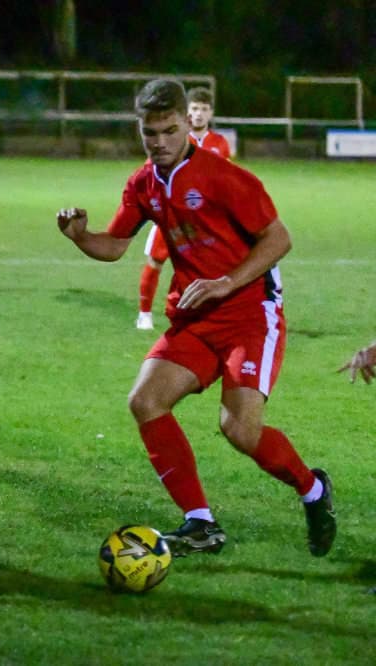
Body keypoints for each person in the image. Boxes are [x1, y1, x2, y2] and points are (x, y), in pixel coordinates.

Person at [56, 78, 335, 558]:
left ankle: (312, 490)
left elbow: (278, 239)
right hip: (195, 317)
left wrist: (227, 281)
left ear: (188, 123)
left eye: (169, 130)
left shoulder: (224, 176)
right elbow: (115, 245)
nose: (159, 142)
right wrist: (81, 236)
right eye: (150, 133)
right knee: (146, 400)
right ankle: (201, 523)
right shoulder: (143, 183)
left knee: (239, 430)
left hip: (250, 314)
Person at [136, 86, 231, 330]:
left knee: (208, 267)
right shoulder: (174, 138)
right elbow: (150, 170)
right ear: (186, 113)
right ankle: (144, 314)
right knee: (156, 260)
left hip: (204, 220)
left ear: (211, 113)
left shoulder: (220, 144)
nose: (199, 114)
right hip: (171, 215)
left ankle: (204, 315)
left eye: (204, 109)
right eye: (195, 108)